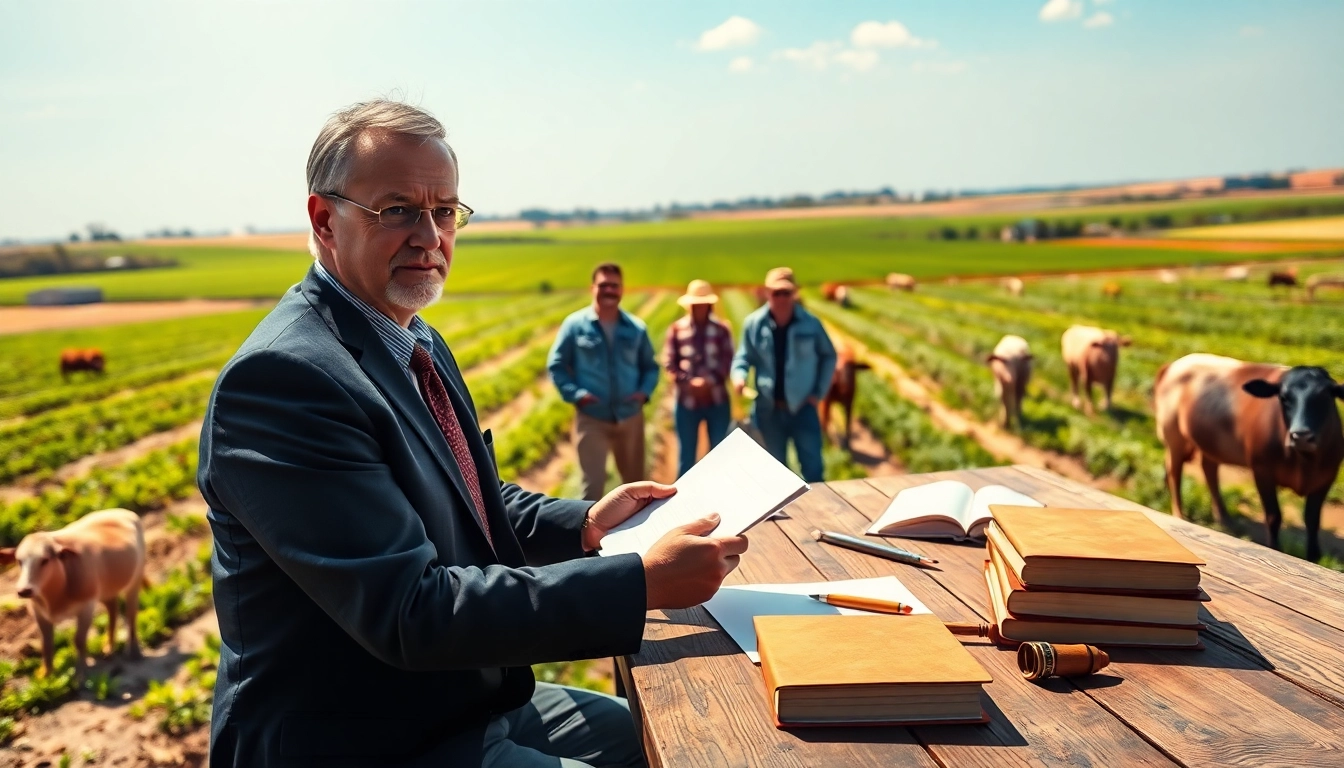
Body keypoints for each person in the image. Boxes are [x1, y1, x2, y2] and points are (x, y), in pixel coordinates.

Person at [198, 100, 748, 768]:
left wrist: (586, 525)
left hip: (463, 697)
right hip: (367, 734)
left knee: (669, 741)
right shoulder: (285, 381)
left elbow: (460, 490)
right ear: (324, 220)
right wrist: (640, 584)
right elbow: (411, 612)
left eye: (445, 210)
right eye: (397, 209)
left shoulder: (407, 336)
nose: (430, 235)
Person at [547, 264, 659, 501]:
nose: (609, 290)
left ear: (622, 290)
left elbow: (650, 367)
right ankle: (591, 538)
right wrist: (577, 395)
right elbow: (556, 365)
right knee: (592, 488)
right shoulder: (575, 325)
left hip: (630, 418)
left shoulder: (636, 328)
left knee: (637, 487)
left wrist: (642, 393)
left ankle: (637, 537)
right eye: (603, 285)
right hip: (592, 418)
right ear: (593, 288)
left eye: (614, 285)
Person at [731, 267, 838, 483]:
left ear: (794, 293)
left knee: (813, 470)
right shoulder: (754, 324)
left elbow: (829, 356)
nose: (781, 298)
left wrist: (818, 393)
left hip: (803, 408)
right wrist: (739, 376)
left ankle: (817, 514)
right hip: (768, 410)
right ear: (767, 293)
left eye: (786, 292)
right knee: (774, 473)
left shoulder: (811, 324)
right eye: (776, 292)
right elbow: (743, 357)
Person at [663, 279, 734, 477]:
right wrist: (688, 382)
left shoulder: (721, 330)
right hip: (687, 403)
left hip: (717, 401)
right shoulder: (677, 330)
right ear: (690, 305)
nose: (700, 307)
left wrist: (709, 381)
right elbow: (669, 364)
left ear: (710, 305)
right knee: (686, 459)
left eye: (703, 303)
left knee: (719, 455)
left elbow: (727, 361)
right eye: (696, 304)